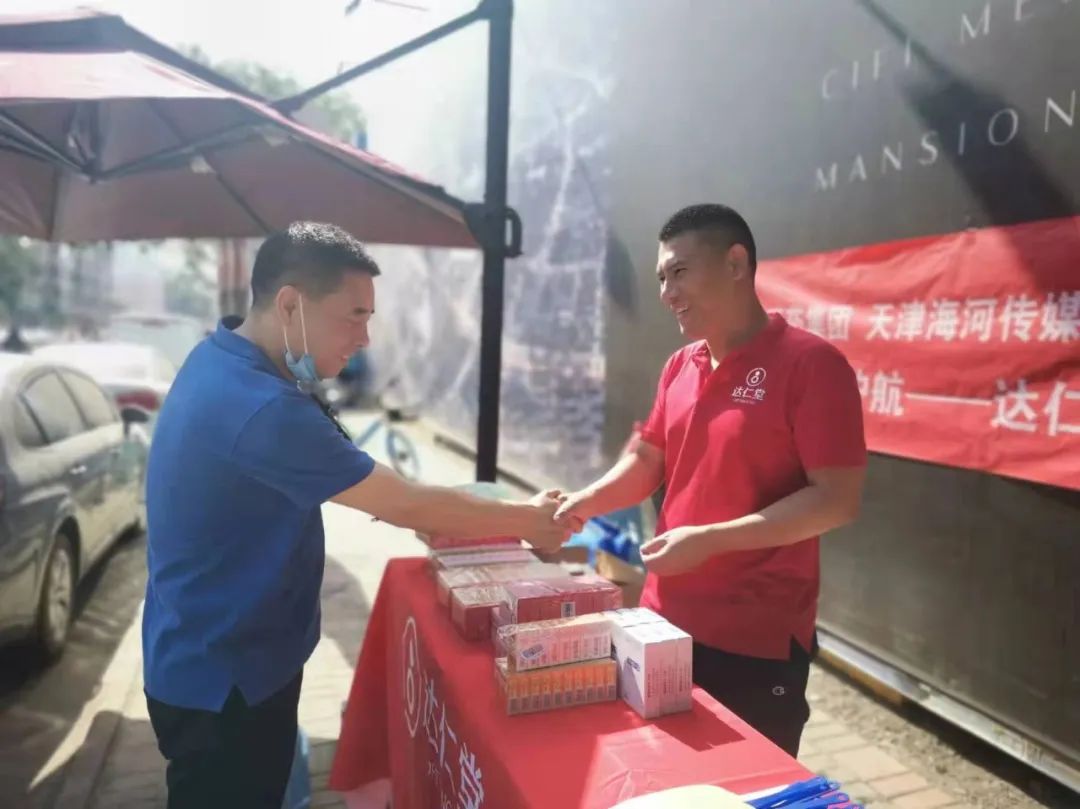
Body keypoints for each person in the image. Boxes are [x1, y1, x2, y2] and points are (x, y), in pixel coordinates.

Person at [142, 222, 570, 809]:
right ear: (290, 304)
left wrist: (430, 508)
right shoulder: (262, 408)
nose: (365, 339)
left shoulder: (223, 360)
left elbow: (383, 491)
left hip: (202, 651)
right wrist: (530, 519)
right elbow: (403, 502)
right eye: (354, 316)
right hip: (226, 682)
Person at [556, 204, 866, 756]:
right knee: (659, 772)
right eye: (660, 278)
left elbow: (835, 501)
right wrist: (583, 503)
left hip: (753, 639)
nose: (666, 293)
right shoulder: (680, 365)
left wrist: (710, 541)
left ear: (735, 264)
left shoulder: (812, 365)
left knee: (743, 784)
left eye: (679, 272)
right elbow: (647, 460)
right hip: (661, 622)